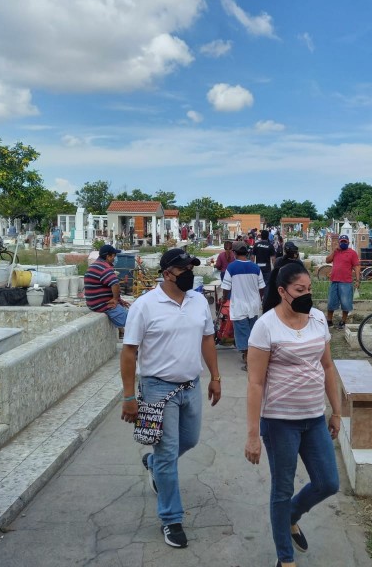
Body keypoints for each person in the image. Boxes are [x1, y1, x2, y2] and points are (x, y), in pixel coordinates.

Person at [120, 248, 222, 549]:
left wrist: (215, 377)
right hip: (157, 389)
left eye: (192, 267)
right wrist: (128, 396)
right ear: (167, 274)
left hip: (190, 386)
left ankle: (153, 463)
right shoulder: (145, 305)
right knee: (168, 455)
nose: (190, 273)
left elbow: (207, 339)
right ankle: (171, 519)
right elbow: (129, 352)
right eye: (184, 269)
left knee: (188, 441)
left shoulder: (198, 301)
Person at [244, 262, 341, 567]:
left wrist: (336, 411)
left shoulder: (317, 320)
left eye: (309, 289)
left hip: (313, 418)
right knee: (282, 489)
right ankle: (285, 559)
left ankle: (291, 516)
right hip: (279, 422)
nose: (307, 295)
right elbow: (255, 383)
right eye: (300, 290)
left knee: (328, 483)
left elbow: (327, 366)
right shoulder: (266, 326)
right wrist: (252, 435)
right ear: (283, 291)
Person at [222, 242, 265, 367]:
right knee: (252, 332)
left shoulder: (231, 267)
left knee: (243, 332)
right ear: (247, 253)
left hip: (239, 305)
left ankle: (248, 359)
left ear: (235, 253)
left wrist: (225, 298)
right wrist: (259, 298)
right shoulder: (255, 267)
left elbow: (226, 287)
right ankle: (252, 355)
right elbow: (262, 287)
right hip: (254, 305)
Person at [84, 244, 129, 338]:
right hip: (103, 305)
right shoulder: (105, 268)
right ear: (108, 256)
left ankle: (123, 333)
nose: (115, 258)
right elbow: (115, 284)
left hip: (93, 303)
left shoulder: (94, 266)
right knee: (132, 322)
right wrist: (116, 299)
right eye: (114, 256)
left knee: (127, 312)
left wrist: (119, 300)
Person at [325, 234, 360, 329]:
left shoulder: (352, 253)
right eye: (342, 242)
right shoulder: (336, 252)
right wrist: (334, 251)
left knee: (346, 303)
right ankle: (329, 321)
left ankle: (343, 322)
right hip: (334, 281)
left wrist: (357, 280)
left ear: (348, 242)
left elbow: (356, 266)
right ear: (339, 243)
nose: (343, 243)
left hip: (346, 282)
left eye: (345, 242)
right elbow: (327, 260)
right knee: (331, 303)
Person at [263, 241, 303, 313]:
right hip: (293, 291)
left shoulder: (279, 261)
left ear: (284, 251)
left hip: (278, 291)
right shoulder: (298, 263)